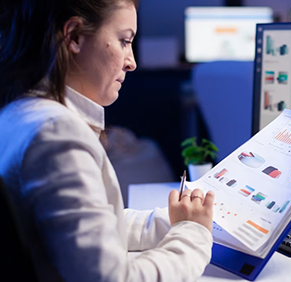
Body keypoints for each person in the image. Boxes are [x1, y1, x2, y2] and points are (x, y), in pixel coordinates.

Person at [0, 0, 215, 281]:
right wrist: (192, 235)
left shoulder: (20, 111)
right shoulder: (56, 135)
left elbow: (93, 225)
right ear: (74, 36)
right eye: (124, 41)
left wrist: (174, 221)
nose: (132, 62)